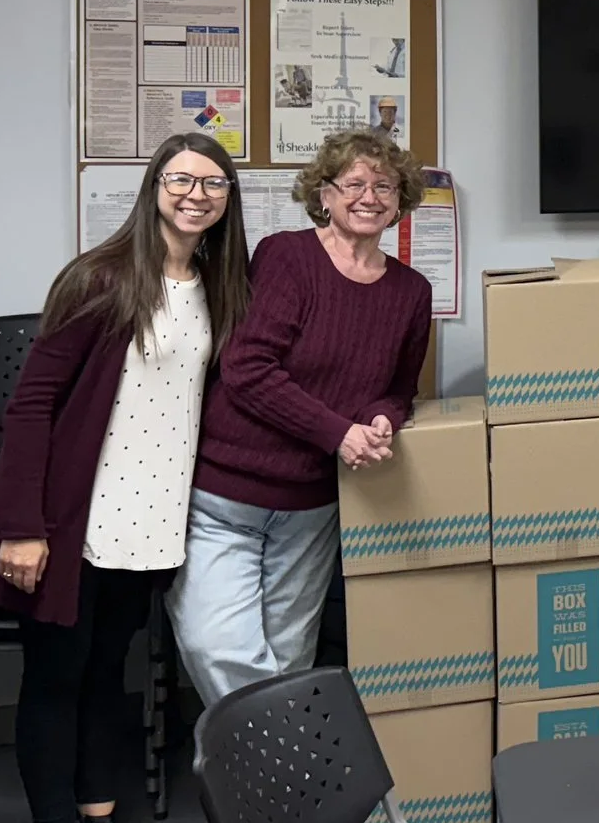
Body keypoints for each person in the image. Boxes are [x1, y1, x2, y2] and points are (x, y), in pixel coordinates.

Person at [0, 135, 250, 823]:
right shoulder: (100, 280)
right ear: (153, 186)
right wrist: (23, 525)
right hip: (74, 525)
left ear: (227, 201)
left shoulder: (216, 286)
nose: (196, 192)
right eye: (181, 178)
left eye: (214, 183)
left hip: (152, 525)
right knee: (55, 681)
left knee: (109, 679)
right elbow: (32, 407)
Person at [171, 128, 433, 705]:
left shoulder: (412, 291)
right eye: (354, 184)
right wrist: (338, 432)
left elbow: (398, 389)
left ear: (400, 200)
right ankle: (284, 762)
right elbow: (247, 368)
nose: (369, 196)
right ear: (325, 194)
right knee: (218, 647)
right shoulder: (287, 255)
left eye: (385, 186)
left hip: (312, 508)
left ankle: (264, 787)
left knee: (288, 657)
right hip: (227, 498)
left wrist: (381, 419)